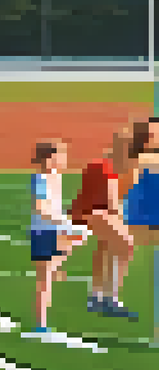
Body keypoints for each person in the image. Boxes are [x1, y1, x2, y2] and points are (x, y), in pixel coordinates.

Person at [70, 129, 138, 319]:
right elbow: (112, 203)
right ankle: (110, 298)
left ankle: (97, 297)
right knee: (126, 245)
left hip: (91, 212)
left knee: (107, 246)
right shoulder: (106, 168)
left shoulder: (107, 166)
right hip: (91, 213)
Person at [28, 139, 91, 333]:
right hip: (43, 232)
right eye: (58, 155)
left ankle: (56, 266)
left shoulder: (57, 177)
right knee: (44, 280)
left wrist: (66, 223)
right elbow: (40, 208)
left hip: (56, 230)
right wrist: (64, 222)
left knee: (81, 238)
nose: (62, 159)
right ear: (48, 158)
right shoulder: (40, 179)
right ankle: (40, 325)